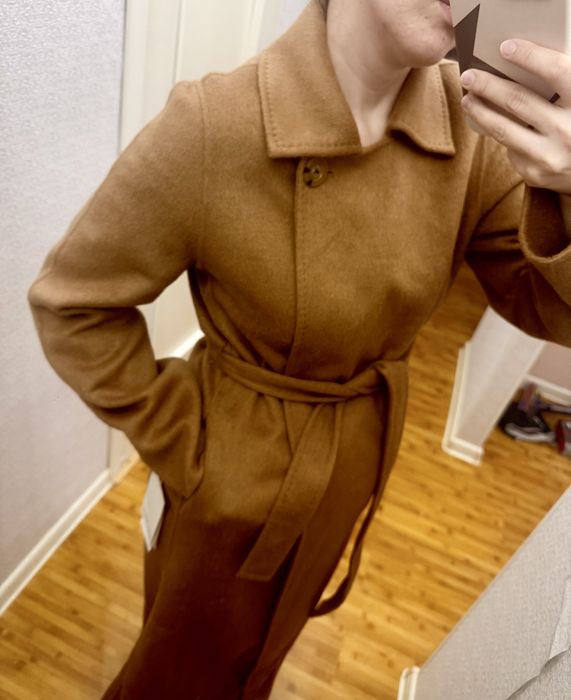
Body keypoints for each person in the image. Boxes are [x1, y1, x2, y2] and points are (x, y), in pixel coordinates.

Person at [27, 0, 571, 698]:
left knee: (262, 653)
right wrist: (193, 448)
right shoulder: (213, 124)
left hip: (352, 460)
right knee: (177, 673)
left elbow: (546, 303)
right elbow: (73, 302)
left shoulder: (468, 129)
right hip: (229, 483)